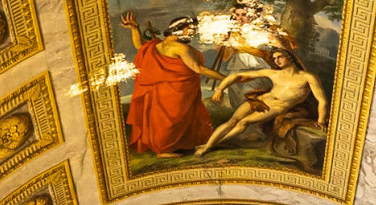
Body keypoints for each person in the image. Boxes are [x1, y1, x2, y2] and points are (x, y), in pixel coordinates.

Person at [120, 12, 224, 157]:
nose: (192, 34)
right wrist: (226, 78)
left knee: (171, 119)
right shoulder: (181, 48)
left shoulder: (159, 44)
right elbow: (198, 68)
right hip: (176, 91)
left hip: (163, 90)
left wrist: (134, 29)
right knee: (173, 119)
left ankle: (178, 144)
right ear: (179, 29)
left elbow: (140, 46)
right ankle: (163, 149)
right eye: (190, 29)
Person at [195, 47, 328, 157]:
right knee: (232, 121)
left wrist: (321, 120)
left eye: (279, 57)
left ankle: (209, 146)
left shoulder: (308, 78)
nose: (277, 61)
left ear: (290, 58)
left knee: (244, 122)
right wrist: (220, 89)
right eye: (275, 59)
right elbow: (236, 76)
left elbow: (322, 100)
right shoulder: (273, 73)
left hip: (278, 107)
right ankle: (209, 145)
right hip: (260, 100)